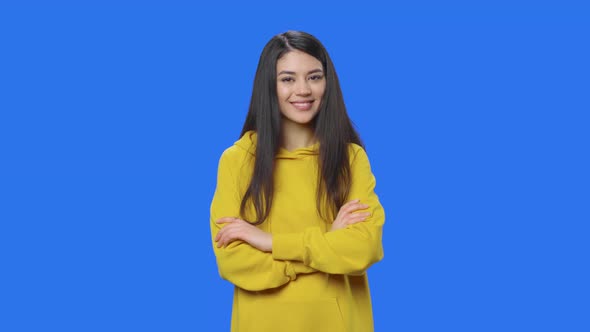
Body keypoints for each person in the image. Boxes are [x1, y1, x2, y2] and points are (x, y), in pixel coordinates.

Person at [210, 30, 385, 332]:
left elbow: (364, 248)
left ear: (328, 84)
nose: (303, 90)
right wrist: (326, 242)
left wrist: (271, 242)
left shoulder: (351, 159)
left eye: (314, 77)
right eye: (288, 79)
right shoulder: (237, 161)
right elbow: (233, 261)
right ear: (269, 86)